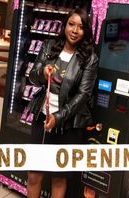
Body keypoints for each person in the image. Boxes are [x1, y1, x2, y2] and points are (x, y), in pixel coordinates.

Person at [27, 8, 98, 198]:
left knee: (59, 179)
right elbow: (33, 78)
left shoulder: (89, 58)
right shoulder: (49, 46)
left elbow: (83, 95)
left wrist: (58, 117)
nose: (75, 30)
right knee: (34, 175)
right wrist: (42, 73)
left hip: (68, 126)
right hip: (43, 121)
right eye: (71, 24)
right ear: (65, 25)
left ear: (86, 32)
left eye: (81, 27)